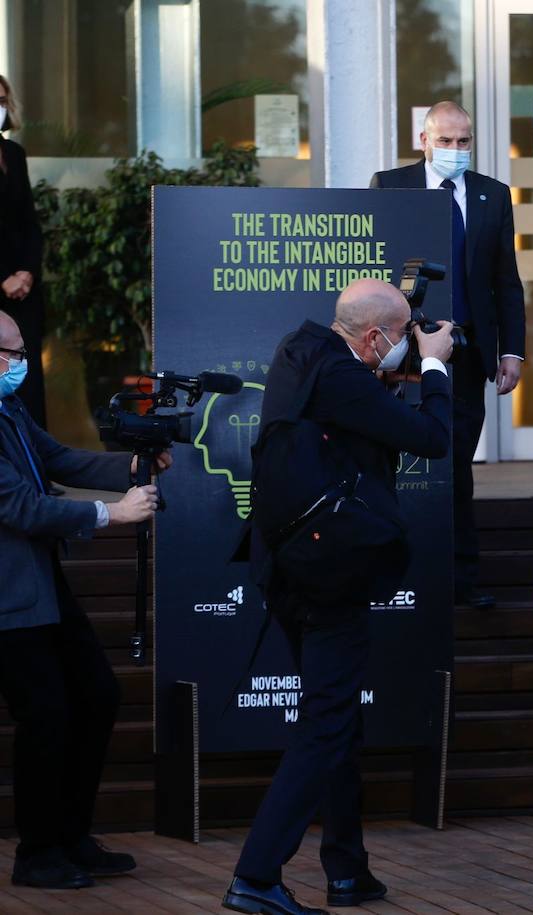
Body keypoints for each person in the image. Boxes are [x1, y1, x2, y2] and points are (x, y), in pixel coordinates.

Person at [224, 280, 455, 915]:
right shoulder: (344, 378)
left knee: (339, 720)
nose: (404, 346)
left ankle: (347, 869)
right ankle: (256, 876)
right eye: (400, 336)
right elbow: (433, 438)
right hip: (329, 580)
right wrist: (434, 362)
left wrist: (397, 357)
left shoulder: (301, 351)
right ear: (375, 338)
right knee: (326, 726)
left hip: (288, 570)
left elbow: (349, 416)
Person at [0, 308, 160, 889]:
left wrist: (131, 465)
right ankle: (38, 853)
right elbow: (22, 506)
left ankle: (70, 836)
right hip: (9, 596)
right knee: (44, 714)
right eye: (14, 354)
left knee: (96, 694)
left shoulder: (8, 407)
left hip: (38, 581)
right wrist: (112, 512)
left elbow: (59, 459)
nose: (22, 364)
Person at [370, 100, 526, 607]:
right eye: (446, 140)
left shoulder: (492, 195)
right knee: (387, 464)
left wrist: (513, 352)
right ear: (424, 139)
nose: (456, 150)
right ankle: (391, 575)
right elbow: (375, 263)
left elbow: (506, 280)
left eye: (464, 141)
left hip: (466, 354)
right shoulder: (389, 186)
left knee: (456, 468)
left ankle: (461, 583)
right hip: (399, 354)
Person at [0, 76, 47, 428]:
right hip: (2, 284)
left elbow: (29, 223)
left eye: (2, 100)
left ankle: (37, 466)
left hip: (23, 289)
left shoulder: (14, 154)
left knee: (28, 377)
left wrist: (27, 273)